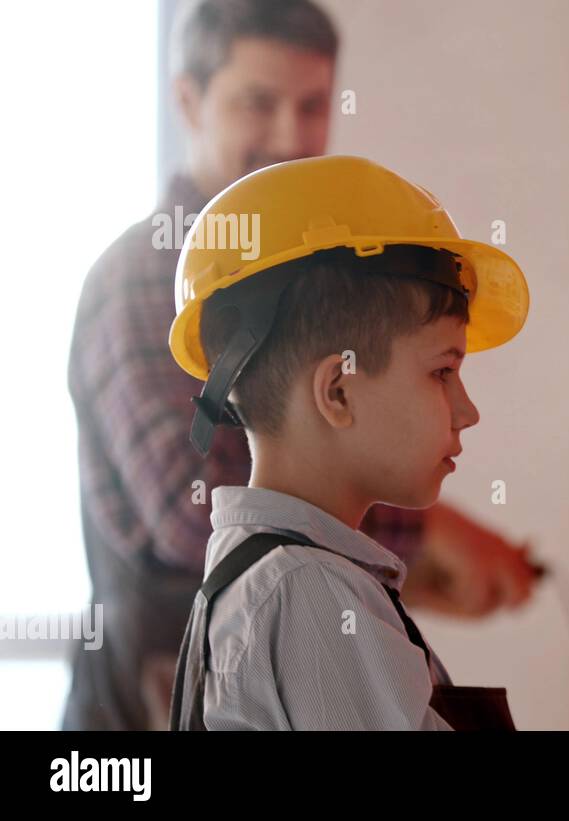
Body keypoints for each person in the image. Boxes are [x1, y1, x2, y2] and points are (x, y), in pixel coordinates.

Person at [169, 155, 569, 730]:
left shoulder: (279, 580)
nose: (467, 411)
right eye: (442, 371)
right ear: (338, 390)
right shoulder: (304, 592)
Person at [63, 0, 535, 731]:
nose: (290, 135)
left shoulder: (300, 584)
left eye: (312, 104)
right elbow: (187, 509)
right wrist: (430, 533)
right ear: (188, 98)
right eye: (259, 102)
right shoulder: (139, 277)